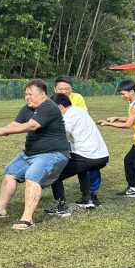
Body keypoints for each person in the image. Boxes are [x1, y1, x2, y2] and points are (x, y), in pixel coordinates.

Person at [0, 80, 70, 230]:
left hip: (53, 154)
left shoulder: (49, 107)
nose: (27, 97)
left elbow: (32, 125)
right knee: (10, 171)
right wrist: (5, 129)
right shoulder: (27, 108)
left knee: (32, 175)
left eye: (31, 94)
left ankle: (27, 219)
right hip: (31, 154)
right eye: (26, 94)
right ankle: (0, 209)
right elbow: (16, 124)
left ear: (42, 95)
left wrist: (7, 130)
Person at [48, 93, 109, 211]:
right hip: (103, 156)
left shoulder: (68, 116)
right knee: (81, 168)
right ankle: (87, 198)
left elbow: (64, 136)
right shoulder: (80, 111)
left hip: (87, 157)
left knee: (54, 174)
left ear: (60, 107)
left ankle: (60, 207)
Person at [54, 75, 101, 205]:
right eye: (60, 89)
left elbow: (81, 117)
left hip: (77, 139)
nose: (63, 91)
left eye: (67, 89)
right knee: (77, 165)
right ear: (55, 89)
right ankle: (86, 196)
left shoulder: (77, 99)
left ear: (72, 89)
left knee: (88, 166)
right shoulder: (51, 101)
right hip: (68, 139)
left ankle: (91, 193)